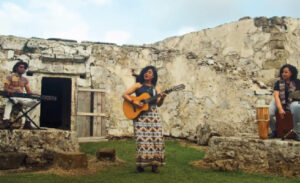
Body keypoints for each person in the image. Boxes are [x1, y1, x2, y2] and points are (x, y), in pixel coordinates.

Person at [122, 66, 167, 173]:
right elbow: (125, 95)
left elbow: (158, 104)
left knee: (156, 139)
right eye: (145, 72)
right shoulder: (138, 85)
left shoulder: (156, 89)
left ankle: (155, 165)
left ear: (153, 76)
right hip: (141, 117)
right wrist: (135, 102)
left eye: (149, 72)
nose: (147, 73)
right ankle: (141, 165)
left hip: (153, 115)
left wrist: (163, 98)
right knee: (142, 141)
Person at [2, 60, 38, 129]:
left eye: (24, 68)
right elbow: (5, 88)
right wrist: (13, 91)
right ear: (16, 68)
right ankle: (5, 121)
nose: (23, 69)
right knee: (10, 102)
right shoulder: (10, 77)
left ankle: (27, 123)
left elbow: (28, 92)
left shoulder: (25, 80)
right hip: (13, 97)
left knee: (34, 104)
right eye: (21, 67)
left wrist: (35, 93)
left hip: (21, 97)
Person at [269, 64, 300, 140]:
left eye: (286, 72)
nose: (284, 74)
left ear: (292, 73)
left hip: (293, 103)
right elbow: (276, 96)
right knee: (268, 111)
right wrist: (280, 108)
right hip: (280, 103)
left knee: (296, 107)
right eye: (283, 72)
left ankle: (297, 132)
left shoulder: (298, 82)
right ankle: (274, 131)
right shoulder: (278, 83)